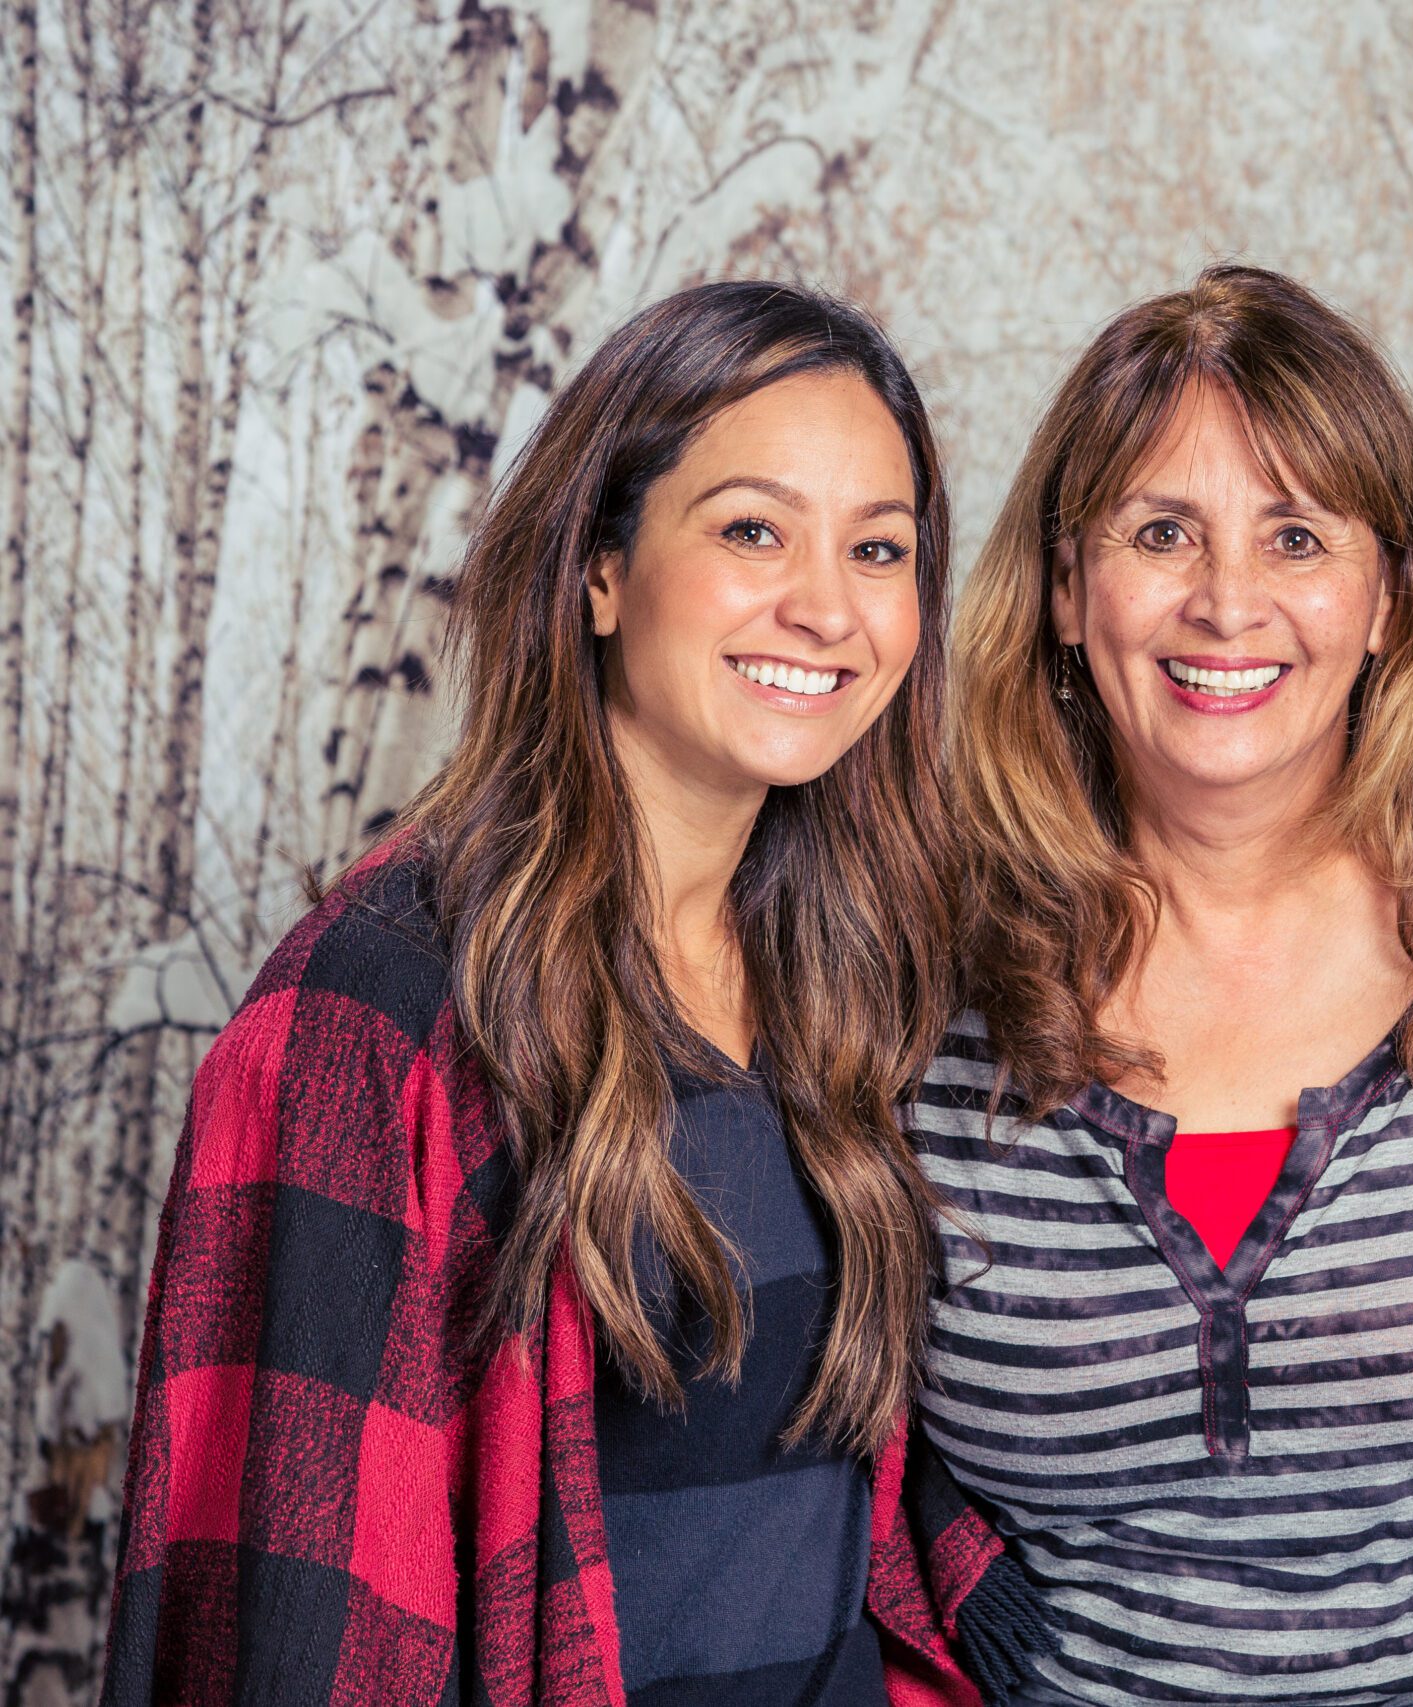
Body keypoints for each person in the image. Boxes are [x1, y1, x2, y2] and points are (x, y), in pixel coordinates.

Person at [104, 281, 1042, 1707]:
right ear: (601, 569)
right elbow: (296, 1619)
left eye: (879, 547)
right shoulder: (383, 1015)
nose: (825, 605)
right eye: (750, 530)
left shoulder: (857, 969)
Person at [910, 264, 1413, 1705]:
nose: (1226, 605)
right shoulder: (912, 996)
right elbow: (797, 1447)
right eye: (1163, 534)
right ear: (1070, 591)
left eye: (1295, 537)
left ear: (1392, 594)